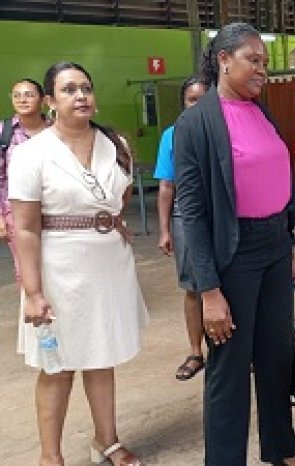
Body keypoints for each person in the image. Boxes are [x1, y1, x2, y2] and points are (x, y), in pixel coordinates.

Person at [173, 22, 295, 466]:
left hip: (274, 244)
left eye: (265, 63)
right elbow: (191, 212)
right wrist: (209, 290)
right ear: (224, 60)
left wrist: (286, 245)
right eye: (254, 60)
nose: (262, 71)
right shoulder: (196, 124)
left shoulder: (262, 112)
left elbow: (278, 179)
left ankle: (282, 449)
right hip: (233, 254)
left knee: (277, 355)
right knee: (229, 369)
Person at [9, 62, 147, 466]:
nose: (81, 96)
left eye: (86, 88)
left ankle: (107, 441)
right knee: (58, 366)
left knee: (101, 356)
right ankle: (50, 456)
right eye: (69, 90)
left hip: (108, 264)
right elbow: (26, 229)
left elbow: (116, 202)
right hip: (57, 271)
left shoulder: (115, 142)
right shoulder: (31, 154)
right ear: (50, 102)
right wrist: (33, 293)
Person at [153, 75, 210, 381]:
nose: (198, 106)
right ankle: (195, 351)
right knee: (194, 287)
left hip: (221, 218)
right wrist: (164, 229)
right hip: (185, 219)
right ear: (184, 105)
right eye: (192, 100)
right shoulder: (171, 136)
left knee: (230, 283)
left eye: (204, 99)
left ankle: (232, 350)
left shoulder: (224, 132)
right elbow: (166, 185)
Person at [1, 78, 49, 286]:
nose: (22, 100)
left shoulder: (56, 130)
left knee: (58, 266)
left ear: (43, 100)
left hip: (55, 209)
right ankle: (34, 311)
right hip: (16, 213)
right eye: (17, 95)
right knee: (26, 269)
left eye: (29, 94)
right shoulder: (4, 132)